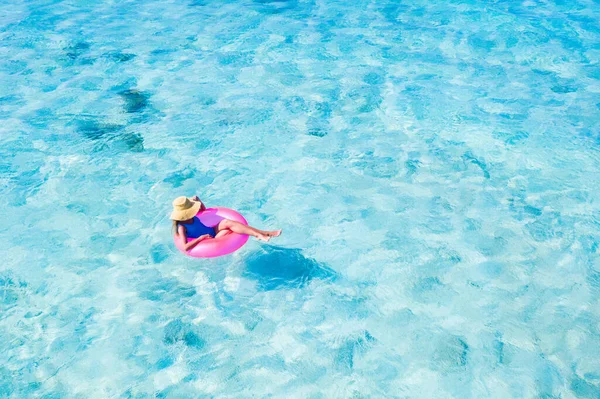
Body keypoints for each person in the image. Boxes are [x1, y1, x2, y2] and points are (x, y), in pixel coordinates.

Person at [170, 195, 281, 251]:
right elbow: (185, 247)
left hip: (212, 230)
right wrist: (201, 238)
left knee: (228, 222)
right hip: (209, 239)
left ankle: (262, 233)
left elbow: (204, 210)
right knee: (229, 230)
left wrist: (197, 199)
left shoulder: (192, 215)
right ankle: (263, 234)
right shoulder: (182, 227)